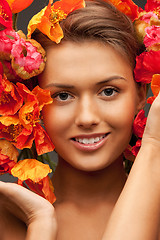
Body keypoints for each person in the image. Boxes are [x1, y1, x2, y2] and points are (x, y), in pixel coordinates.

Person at [0, 0, 160, 239]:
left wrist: (154, 143)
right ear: (33, 105)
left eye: (108, 91)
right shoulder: (7, 220)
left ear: (141, 93)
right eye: (63, 96)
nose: (87, 118)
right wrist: (40, 223)